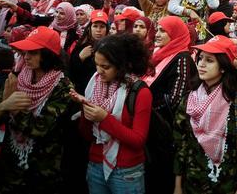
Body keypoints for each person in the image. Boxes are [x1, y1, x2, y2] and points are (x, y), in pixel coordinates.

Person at [0, 26, 73, 193]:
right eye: (24, 52)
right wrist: (5, 104)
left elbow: (41, 129)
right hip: (9, 167)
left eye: (33, 52)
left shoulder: (63, 88)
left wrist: (14, 108)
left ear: (47, 55)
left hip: (41, 172)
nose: (25, 57)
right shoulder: (16, 78)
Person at [173, 35, 237, 193]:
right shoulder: (189, 99)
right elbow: (181, 144)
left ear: (224, 66)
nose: (201, 64)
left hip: (227, 182)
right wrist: (178, 184)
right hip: (192, 181)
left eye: (210, 60)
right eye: (200, 58)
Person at [75, 34, 152, 194]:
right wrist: (85, 110)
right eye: (96, 64)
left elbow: (138, 140)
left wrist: (104, 118)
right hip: (96, 164)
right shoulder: (94, 85)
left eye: (106, 67)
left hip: (127, 171)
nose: (99, 71)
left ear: (122, 65)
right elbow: (87, 135)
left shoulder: (139, 91)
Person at [142, 16, 197, 194]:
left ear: (175, 34)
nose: (157, 34)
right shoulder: (159, 53)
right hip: (152, 126)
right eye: (157, 30)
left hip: (164, 131)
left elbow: (176, 98)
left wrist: (146, 106)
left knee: (161, 177)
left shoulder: (182, 57)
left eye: (163, 31)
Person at [69, 10, 110, 95]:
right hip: (82, 92)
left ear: (106, 29)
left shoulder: (112, 48)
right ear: (90, 28)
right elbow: (71, 73)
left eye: (102, 27)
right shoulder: (81, 47)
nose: (98, 30)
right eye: (95, 26)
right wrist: (79, 58)